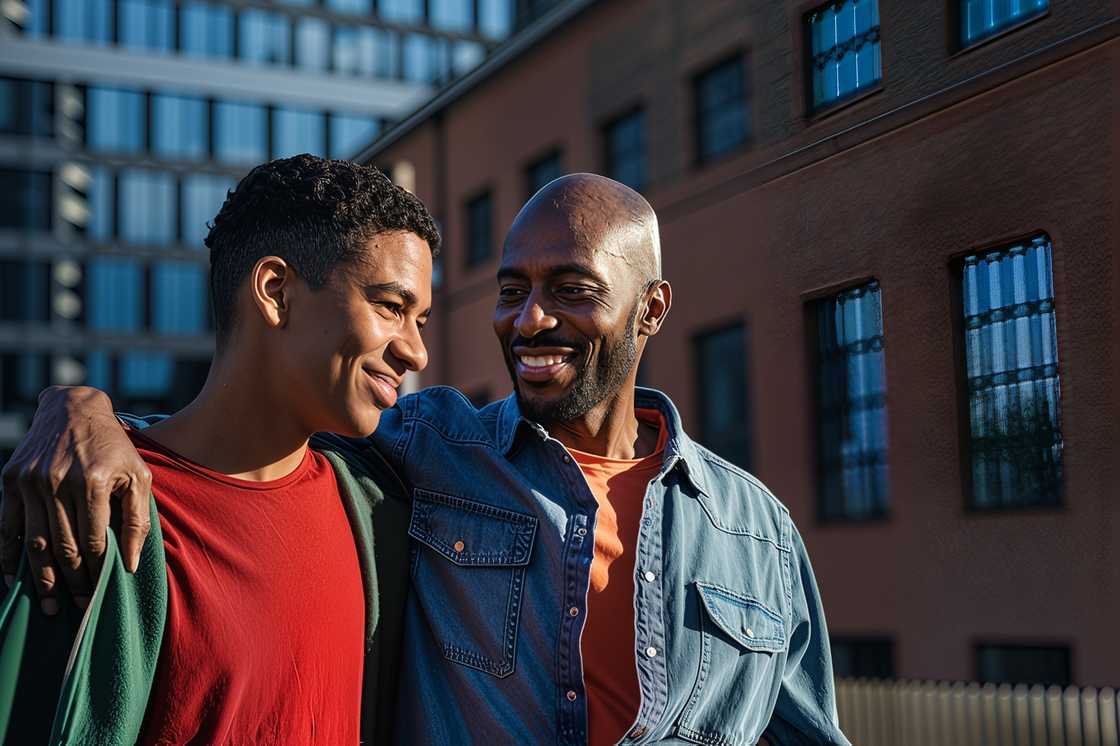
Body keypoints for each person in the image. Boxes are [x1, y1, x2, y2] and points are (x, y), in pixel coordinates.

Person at [2, 174, 850, 745]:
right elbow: (233, 436)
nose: (529, 321)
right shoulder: (424, 456)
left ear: (652, 309)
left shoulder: (760, 534)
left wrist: (81, 407)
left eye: (573, 289)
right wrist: (81, 408)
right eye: (513, 290)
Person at [0, 154, 437, 744]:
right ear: (276, 291)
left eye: (423, 320)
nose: (416, 352)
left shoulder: (384, 506)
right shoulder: (92, 509)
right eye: (391, 307)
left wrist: (77, 403)